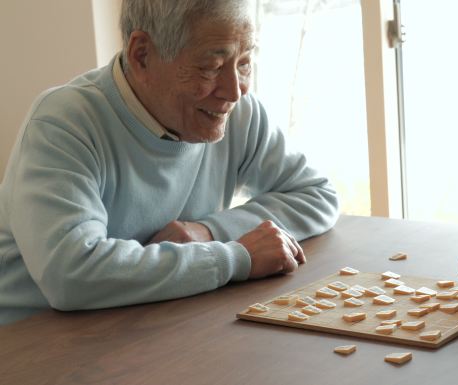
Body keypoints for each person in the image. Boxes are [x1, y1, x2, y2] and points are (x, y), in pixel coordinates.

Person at [0, 0, 339, 325]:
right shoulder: (64, 122)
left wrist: (207, 233)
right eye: (212, 67)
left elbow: (316, 195)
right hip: (35, 346)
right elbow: (70, 275)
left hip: (154, 324)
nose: (234, 91)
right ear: (142, 55)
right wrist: (236, 257)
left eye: (245, 61)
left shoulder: (235, 112)